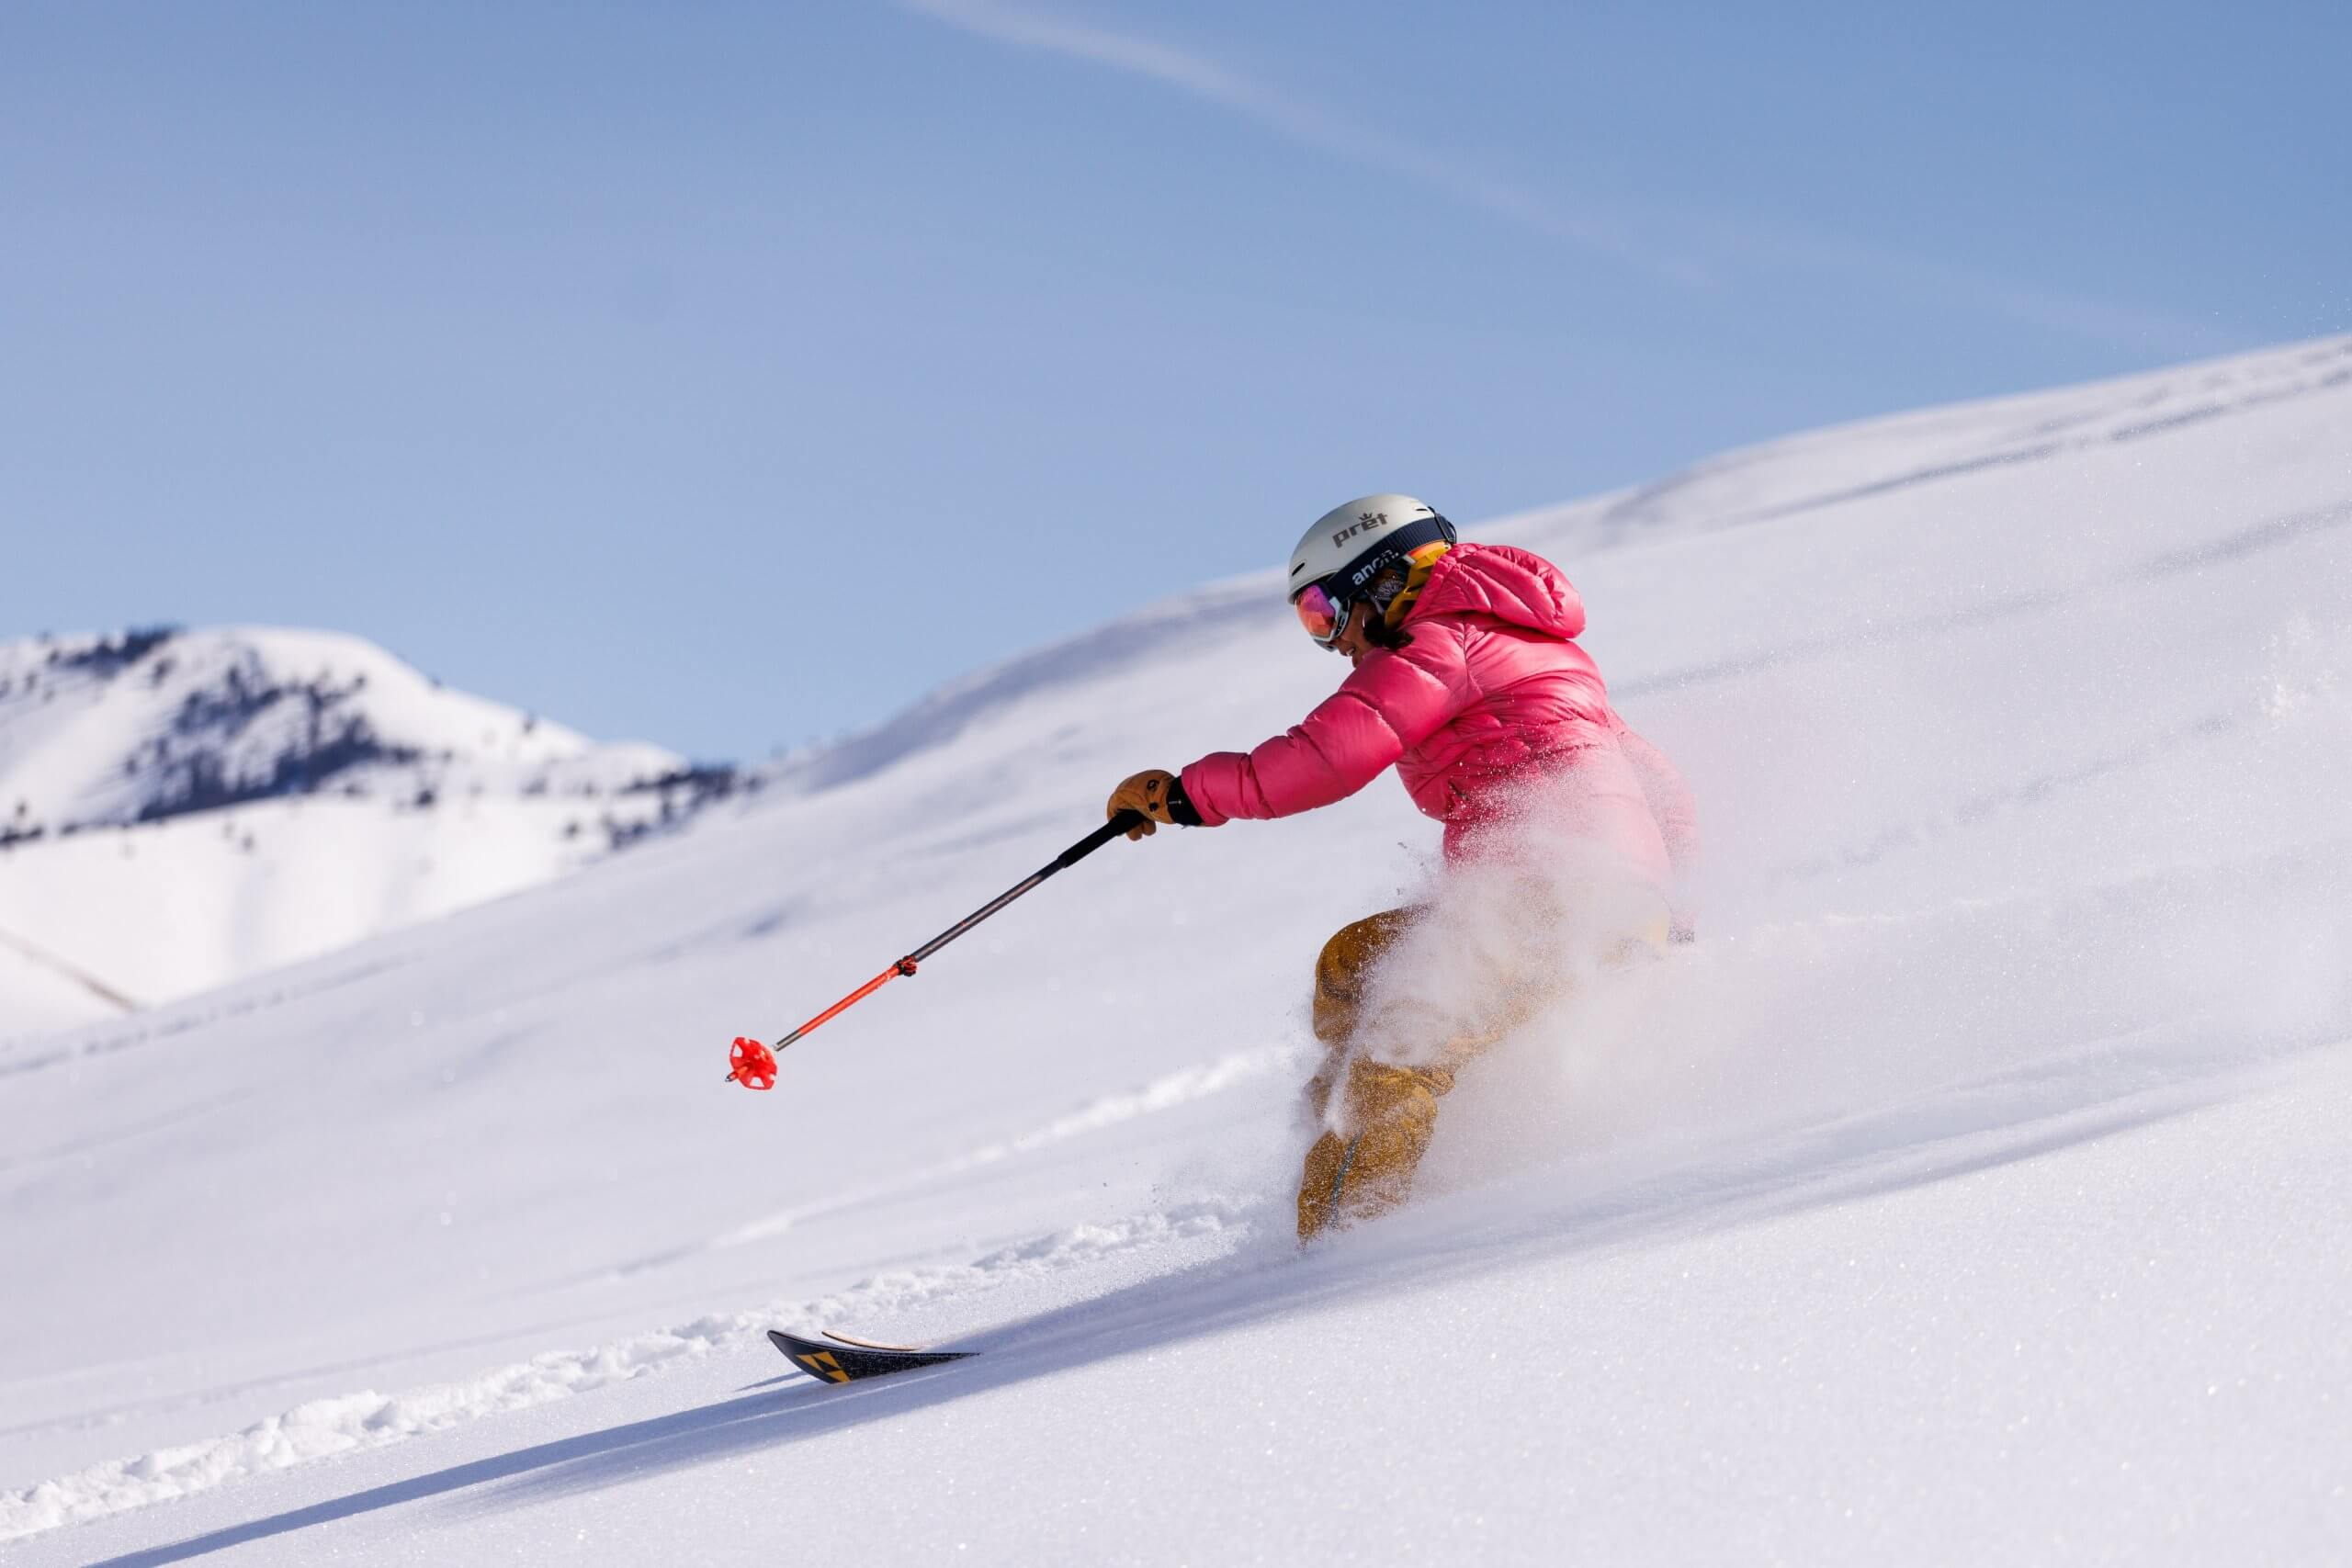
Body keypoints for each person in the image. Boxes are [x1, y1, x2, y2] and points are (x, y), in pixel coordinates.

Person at [1106, 494, 1697, 1243]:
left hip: (1554, 899)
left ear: (1383, 581)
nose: (1330, 641)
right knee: (1354, 963)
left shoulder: (1440, 643)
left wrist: (1186, 795)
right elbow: (1662, 787)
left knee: (1393, 1058)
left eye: (1325, 612)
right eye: (1309, 623)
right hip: (1580, 900)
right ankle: (1411, 1157)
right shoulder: (1525, 647)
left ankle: (1350, 1255)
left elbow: (1325, 757)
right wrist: (1668, 910)